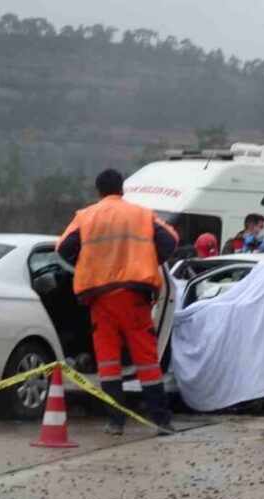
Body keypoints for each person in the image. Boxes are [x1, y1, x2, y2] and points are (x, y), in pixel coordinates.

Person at [57, 169, 178, 436]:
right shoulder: (141, 214)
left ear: (98, 191)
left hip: (100, 298)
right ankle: (161, 420)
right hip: (135, 296)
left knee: (108, 362)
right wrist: (149, 261)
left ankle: (115, 421)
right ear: (122, 189)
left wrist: (87, 264)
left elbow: (62, 248)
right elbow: (171, 241)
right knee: (147, 360)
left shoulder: (85, 216)